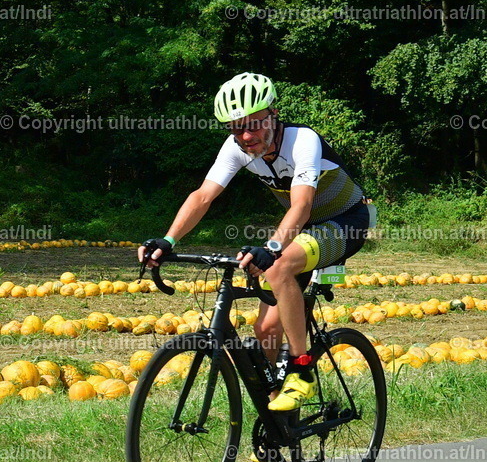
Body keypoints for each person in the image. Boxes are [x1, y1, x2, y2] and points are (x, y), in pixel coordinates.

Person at [138, 72, 373, 414]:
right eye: (236, 128)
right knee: (264, 328)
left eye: (254, 124)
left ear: (273, 114)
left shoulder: (302, 140)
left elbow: (302, 205)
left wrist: (273, 249)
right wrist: (168, 238)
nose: (246, 136)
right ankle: (279, 423)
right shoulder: (236, 148)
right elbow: (203, 196)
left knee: (278, 268)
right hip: (304, 229)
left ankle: (302, 368)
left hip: (345, 221)